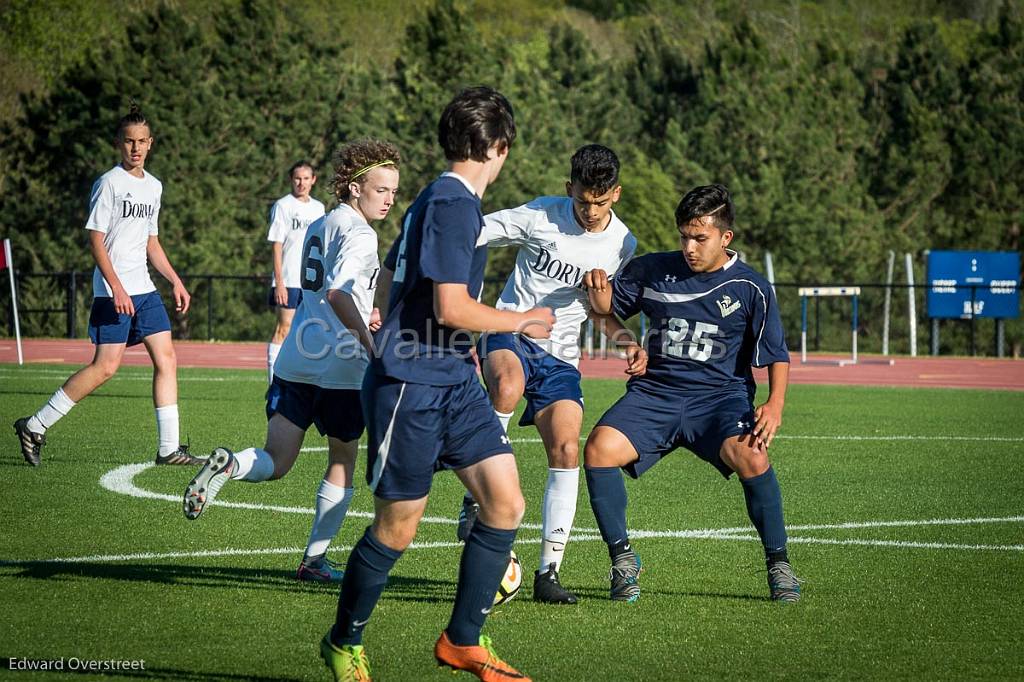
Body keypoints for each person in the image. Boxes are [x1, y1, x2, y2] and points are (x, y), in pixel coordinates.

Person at [320, 86, 551, 682]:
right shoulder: (451, 204)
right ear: (499, 148)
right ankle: (343, 642)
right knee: (398, 527)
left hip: (452, 378)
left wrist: (410, 329)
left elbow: (395, 275)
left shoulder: (439, 200)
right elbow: (451, 305)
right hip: (410, 387)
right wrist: (519, 321)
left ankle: (462, 640)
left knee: (505, 503)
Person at [182, 140, 400, 584]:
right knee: (341, 459)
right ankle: (314, 560)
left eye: (394, 191)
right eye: (382, 190)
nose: (390, 199)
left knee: (276, 460)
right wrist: (369, 342)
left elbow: (329, 294)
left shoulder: (320, 224)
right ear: (355, 188)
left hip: (297, 356)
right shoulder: (360, 233)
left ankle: (231, 465)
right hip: (340, 362)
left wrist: (362, 309)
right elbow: (340, 294)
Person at [584, 184, 801, 604]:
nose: (689, 246)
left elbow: (776, 352)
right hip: (656, 395)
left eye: (700, 238)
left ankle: (779, 564)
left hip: (719, 401)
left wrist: (774, 405)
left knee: (753, 455)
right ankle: (623, 560)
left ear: (725, 237)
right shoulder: (651, 270)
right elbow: (603, 310)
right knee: (598, 449)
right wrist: (623, 333)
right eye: (684, 235)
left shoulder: (751, 287)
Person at [458, 144, 643, 605]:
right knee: (506, 385)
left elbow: (601, 313)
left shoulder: (623, 244)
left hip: (560, 354)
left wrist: (629, 343)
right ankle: (476, 497)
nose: (591, 211)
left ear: (616, 194)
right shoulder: (541, 215)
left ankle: (548, 574)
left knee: (565, 446)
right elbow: (474, 231)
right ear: (569, 190)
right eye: (583, 200)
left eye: (601, 202)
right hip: (511, 329)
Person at [14, 103, 197, 467]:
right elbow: (96, 240)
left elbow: (152, 242)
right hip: (115, 291)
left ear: (151, 143)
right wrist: (116, 286)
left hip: (144, 290)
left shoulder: (155, 187)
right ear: (119, 144)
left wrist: (175, 280)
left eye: (142, 141)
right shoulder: (109, 183)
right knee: (105, 368)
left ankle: (169, 449)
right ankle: (34, 425)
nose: (136, 148)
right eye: (129, 142)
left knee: (168, 359)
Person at [266, 161, 326, 382]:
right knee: (284, 328)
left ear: (313, 180)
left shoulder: (319, 208)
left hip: (311, 281)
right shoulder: (283, 206)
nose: (301, 183)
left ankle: (302, 380)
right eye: (297, 178)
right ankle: (273, 381)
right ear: (291, 180)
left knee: (310, 331)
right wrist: (279, 281)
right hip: (289, 279)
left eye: (306, 178)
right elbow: (277, 245)